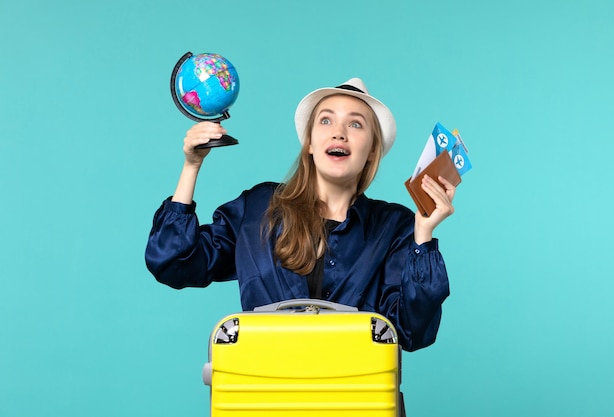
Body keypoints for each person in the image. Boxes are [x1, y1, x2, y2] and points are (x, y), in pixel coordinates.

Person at [145, 78, 456, 352]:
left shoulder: (394, 227)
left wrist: (423, 235)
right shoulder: (258, 209)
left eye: (356, 124)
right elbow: (173, 262)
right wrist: (191, 166)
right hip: (265, 395)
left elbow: (412, 331)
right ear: (309, 143)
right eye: (325, 121)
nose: (339, 133)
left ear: (372, 150)